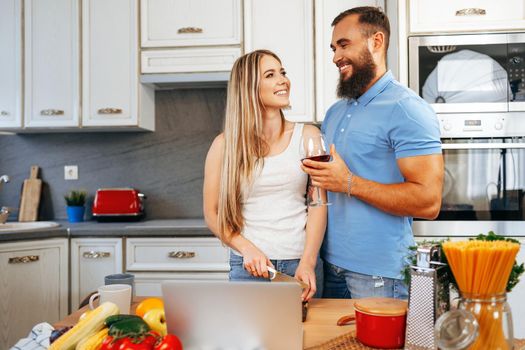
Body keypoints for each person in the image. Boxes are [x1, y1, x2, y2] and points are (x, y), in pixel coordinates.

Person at [302, 7, 444, 300]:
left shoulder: (407, 109)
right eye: (333, 48)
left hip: (380, 274)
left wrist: (349, 183)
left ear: (376, 42)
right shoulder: (335, 112)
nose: (335, 57)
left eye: (344, 45)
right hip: (329, 267)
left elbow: (429, 202)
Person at [203, 49, 326, 301]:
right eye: (270, 75)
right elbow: (212, 213)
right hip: (248, 267)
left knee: (306, 339)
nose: (283, 80)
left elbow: (318, 204)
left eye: (283, 72)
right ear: (249, 88)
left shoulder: (308, 137)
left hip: (299, 265)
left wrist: (308, 262)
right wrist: (246, 248)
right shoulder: (224, 145)